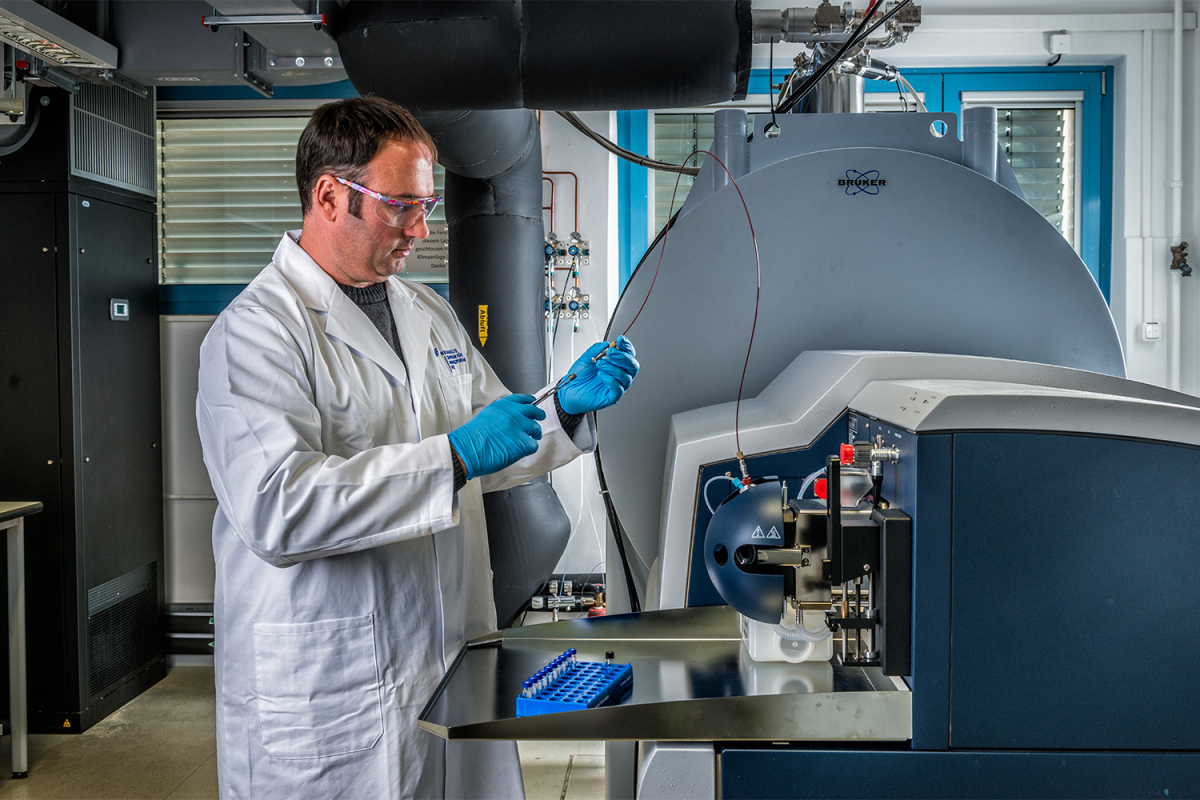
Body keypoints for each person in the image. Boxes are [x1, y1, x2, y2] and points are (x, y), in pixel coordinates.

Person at [195, 96, 639, 800]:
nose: (422, 229)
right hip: (327, 685)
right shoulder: (255, 333)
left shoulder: (423, 310)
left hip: (444, 658)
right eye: (401, 206)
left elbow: (490, 435)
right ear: (330, 195)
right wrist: (452, 458)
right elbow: (278, 507)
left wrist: (559, 410)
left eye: (426, 206)